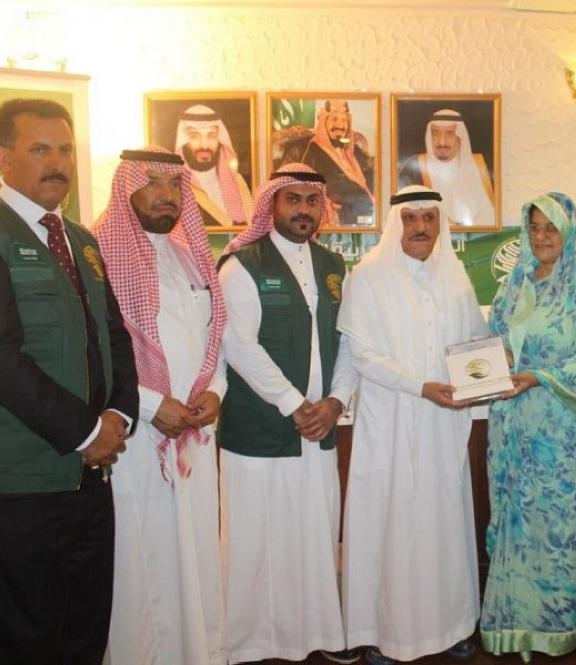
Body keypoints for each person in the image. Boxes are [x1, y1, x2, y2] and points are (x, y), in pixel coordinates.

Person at [0, 98, 139, 664]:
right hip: (23, 484)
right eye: (40, 149)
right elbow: (3, 358)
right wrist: (85, 432)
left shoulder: (81, 238)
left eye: (64, 149)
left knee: (86, 631)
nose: (57, 163)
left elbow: (114, 336)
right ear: (4, 157)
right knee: (27, 637)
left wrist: (119, 415)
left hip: (90, 481)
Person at [338, 185, 487, 665]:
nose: (421, 227)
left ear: (439, 222)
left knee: (443, 525)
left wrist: (486, 377)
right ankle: (384, 634)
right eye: (410, 218)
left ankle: (453, 626)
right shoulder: (368, 277)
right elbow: (363, 355)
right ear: (395, 222)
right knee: (391, 524)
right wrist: (420, 386)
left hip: (443, 426)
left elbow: (475, 342)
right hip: (391, 423)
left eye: (429, 217)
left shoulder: (456, 277)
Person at [216, 163, 358, 664]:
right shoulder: (242, 265)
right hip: (260, 429)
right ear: (271, 204)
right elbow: (238, 345)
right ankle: (248, 643)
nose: (303, 209)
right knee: (255, 540)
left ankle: (318, 635)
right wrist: (295, 404)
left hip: (319, 428)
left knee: (315, 537)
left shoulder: (334, 265)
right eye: (292, 199)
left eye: (312, 200)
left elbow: (349, 342)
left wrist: (335, 402)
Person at [93, 147, 228, 665]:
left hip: (193, 433)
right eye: (152, 182)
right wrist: (152, 407)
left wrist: (216, 392)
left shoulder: (190, 256)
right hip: (135, 436)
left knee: (197, 552)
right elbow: (98, 351)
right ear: (126, 186)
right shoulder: (98, 255)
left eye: (174, 184)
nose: (166, 195)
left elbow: (215, 337)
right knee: (143, 559)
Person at [479, 192, 576, 662]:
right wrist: (497, 362)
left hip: (561, 434)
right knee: (516, 523)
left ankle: (554, 629)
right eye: (534, 227)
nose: (541, 236)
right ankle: (510, 626)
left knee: (557, 525)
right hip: (513, 426)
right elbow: (498, 339)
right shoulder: (515, 283)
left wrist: (537, 376)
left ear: (568, 231)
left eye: (551, 227)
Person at [397, 109, 495, 227]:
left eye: (449, 133)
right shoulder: (413, 168)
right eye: (435, 133)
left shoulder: (482, 166)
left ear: (460, 137)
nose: (442, 142)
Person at [174, 104, 252, 227]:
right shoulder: (176, 188)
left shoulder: (239, 182)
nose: (204, 145)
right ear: (183, 141)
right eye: (194, 136)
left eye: (211, 135)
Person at [302, 100, 376, 226]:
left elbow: (371, 175)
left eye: (344, 120)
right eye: (334, 119)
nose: (340, 125)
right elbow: (306, 188)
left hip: (369, 216)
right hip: (341, 219)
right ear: (324, 122)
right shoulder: (313, 152)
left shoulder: (354, 150)